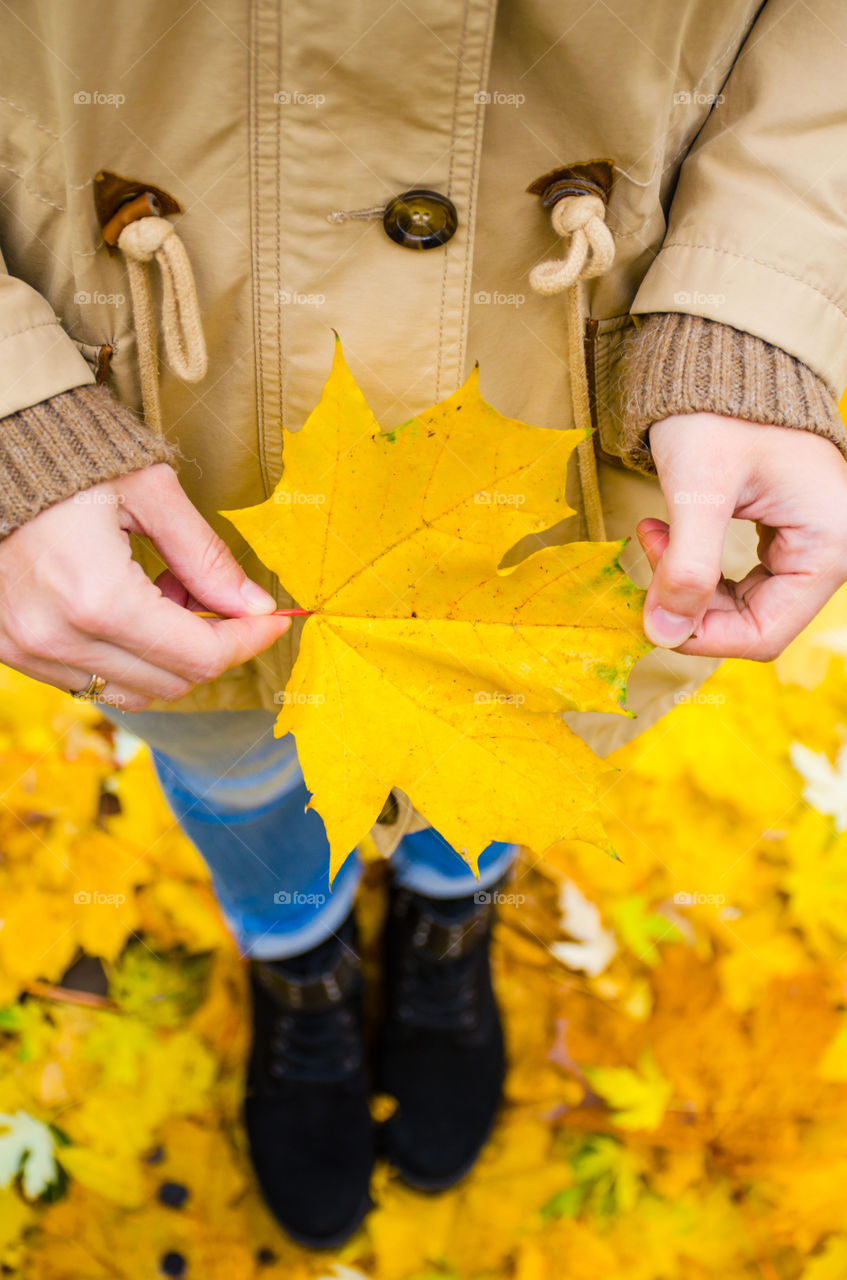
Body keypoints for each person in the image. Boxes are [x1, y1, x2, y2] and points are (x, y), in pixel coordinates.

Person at [1, 0, 846, 1249]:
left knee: (509, 754)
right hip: (152, 456)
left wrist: (757, 302)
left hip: (603, 421)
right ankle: (303, 959)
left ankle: (452, 913)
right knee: (239, 766)